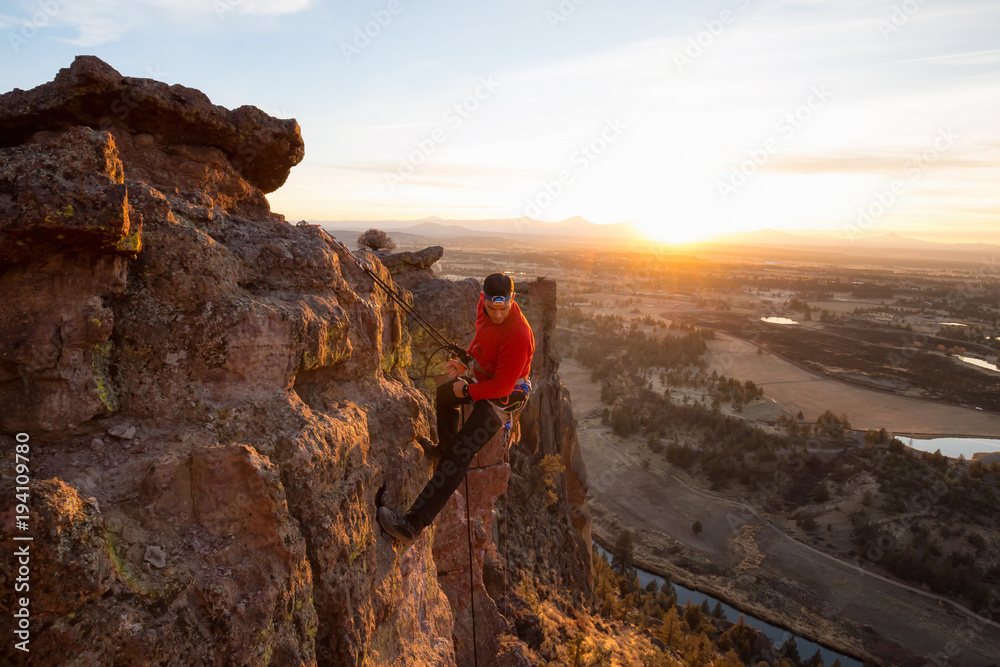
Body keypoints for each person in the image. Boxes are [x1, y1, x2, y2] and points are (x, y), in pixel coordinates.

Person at [377, 273, 535, 547]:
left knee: (461, 453)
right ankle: (443, 450)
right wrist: (467, 360)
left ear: (513, 301)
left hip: (504, 397)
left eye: (503, 309)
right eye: (492, 308)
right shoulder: (483, 309)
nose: (497, 314)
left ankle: (414, 524)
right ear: (483, 299)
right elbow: (482, 338)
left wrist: (469, 390)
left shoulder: (519, 335)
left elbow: (501, 387)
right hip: (487, 378)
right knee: (444, 394)